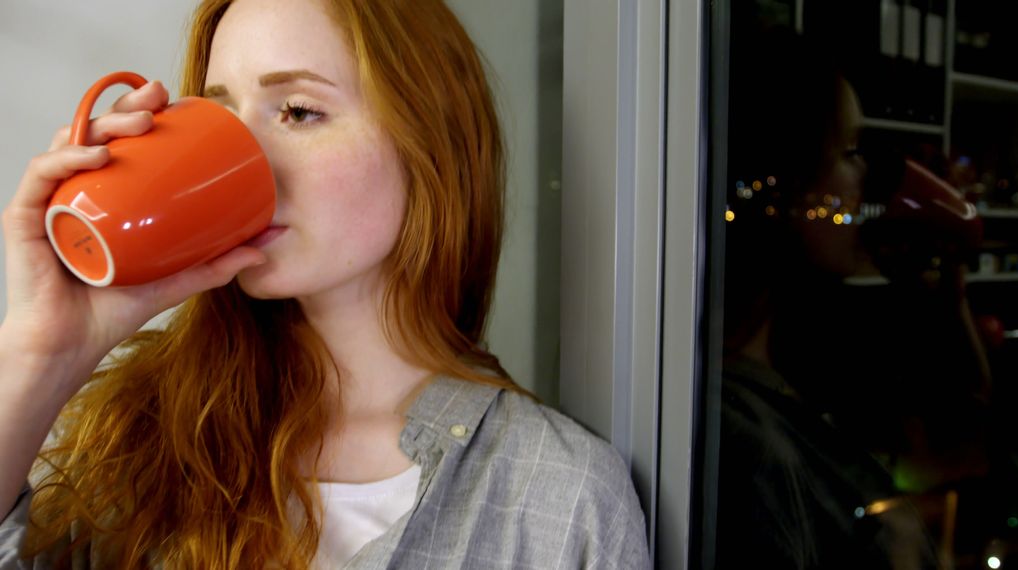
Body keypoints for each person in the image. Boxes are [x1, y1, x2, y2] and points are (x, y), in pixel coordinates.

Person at [0, 0, 649, 568]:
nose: (245, 154)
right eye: (220, 116)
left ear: (428, 143)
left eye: (300, 112)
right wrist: (41, 353)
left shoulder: (560, 499)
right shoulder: (135, 437)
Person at [705, 27, 941, 569]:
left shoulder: (789, 364)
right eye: (849, 151)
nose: (864, 176)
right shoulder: (742, 440)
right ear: (786, 180)